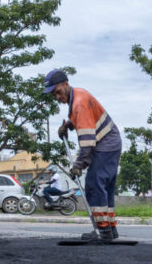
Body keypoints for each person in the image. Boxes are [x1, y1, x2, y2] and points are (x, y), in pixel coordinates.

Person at [42, 68, 122, 242]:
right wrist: (68, 125)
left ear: (65, 84)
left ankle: (103, 231)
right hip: (111, 142)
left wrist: (78, 165)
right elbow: (83, 117)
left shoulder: (78, 103)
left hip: (105, 144)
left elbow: (87, 142)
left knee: (94, 185)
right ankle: (110, 230)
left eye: (58, 92)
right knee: (105, 187)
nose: (57, 97)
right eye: (54, 95)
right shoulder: (78, 95)